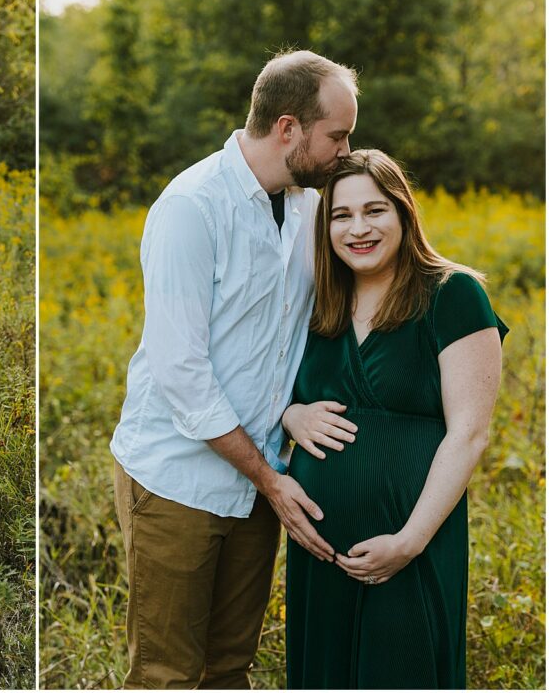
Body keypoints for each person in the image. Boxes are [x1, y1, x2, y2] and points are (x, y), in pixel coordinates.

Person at [110, 50, 359, 689]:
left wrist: (291, 410)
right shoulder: (192, 206)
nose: (346, 152)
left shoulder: (308, 208)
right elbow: (181, 371)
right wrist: (272, 482)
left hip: (257, 481)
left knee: (228, 670)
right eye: (337, 136)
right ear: (288, 128)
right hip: (178, 479)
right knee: (166, 675)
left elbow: (292, 340)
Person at [282, 150, 507, 689]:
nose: (358, 228)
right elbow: (275, 391)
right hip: (321, 552)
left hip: (412, 541)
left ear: (404, 214)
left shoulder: (453, 294)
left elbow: (470, 432)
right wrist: (291, 414)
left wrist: (409, 540)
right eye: (341, 216)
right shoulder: (318, 301)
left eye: (375, 210)